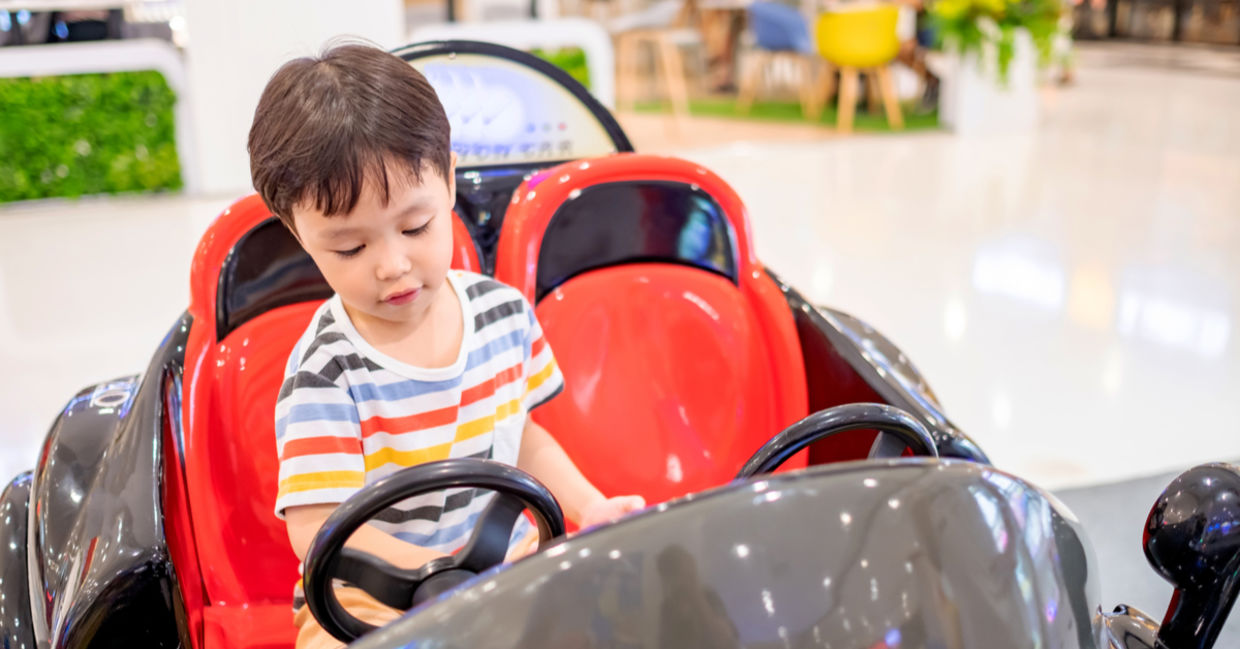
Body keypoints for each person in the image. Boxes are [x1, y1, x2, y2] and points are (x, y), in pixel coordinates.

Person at [247, 42, 646, 649]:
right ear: (299, 234)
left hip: (505, 569)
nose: (392, 264)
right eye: (350, 249)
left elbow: (524, 436)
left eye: (415, 226)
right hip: (368, 594)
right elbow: (316, 525)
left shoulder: (503, 314)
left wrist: (589, 507)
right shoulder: (326, 371)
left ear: (450, 181)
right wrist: (431, 578)